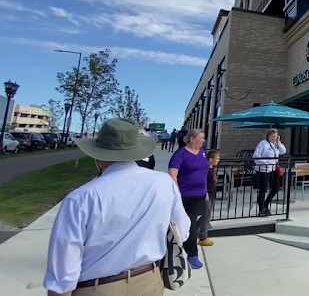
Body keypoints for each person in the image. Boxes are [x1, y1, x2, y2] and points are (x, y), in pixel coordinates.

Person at [43, 118, 191, 296]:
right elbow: (182, 231)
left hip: (98, 287)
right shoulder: (164, 182)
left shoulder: (81, 198)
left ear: (97, 154)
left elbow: (63, 273)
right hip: (149, 280)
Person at [168, 128, 209, 269]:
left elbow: (204, 173)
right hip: (185, 195)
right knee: (190, 224)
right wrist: (176, 192)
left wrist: (206, 191)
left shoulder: (202, 152)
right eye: (200, 138)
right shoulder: (181, 154)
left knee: (196, 223)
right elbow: (173, 174)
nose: (203, 140)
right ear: (192, 138)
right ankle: (192, 254)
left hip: (201, 194)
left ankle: (186, 245)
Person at [254, 129, 286, 216]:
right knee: (263, 189)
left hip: (273, 168)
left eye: (275, 136)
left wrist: (279, 142)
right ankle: (261, 209)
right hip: (264, 169)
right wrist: (266, 162)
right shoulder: (262, 144)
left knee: (276, 187)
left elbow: (283, 151)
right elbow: (256, 156)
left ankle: (266, 203)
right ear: (268, 136)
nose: (273, 138)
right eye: (272, 136)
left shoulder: (275, 144)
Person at [198, 149, 220, 246]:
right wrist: (205, 192)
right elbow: (203, 181)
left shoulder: (212, 169)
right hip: (207, 195)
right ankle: (203, 237)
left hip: (211, 194)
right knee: (206, 216)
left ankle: (195, 231)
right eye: (217, 158)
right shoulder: (206, 169)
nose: (218, 160)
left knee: (204, 215)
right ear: (211, 159)